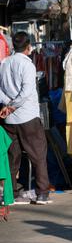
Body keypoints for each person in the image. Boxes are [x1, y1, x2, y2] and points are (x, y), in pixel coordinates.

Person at [0, 31, 51, 205]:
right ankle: (42, 192)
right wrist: (13, 105)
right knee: (38, 155)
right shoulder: (27, 65)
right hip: (27, 116)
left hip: (10, 119)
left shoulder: (4, 63)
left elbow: (0, 89)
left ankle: (11, 193)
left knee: (12, 157)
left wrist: (7, 106)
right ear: (29, 47)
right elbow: (27, 90)